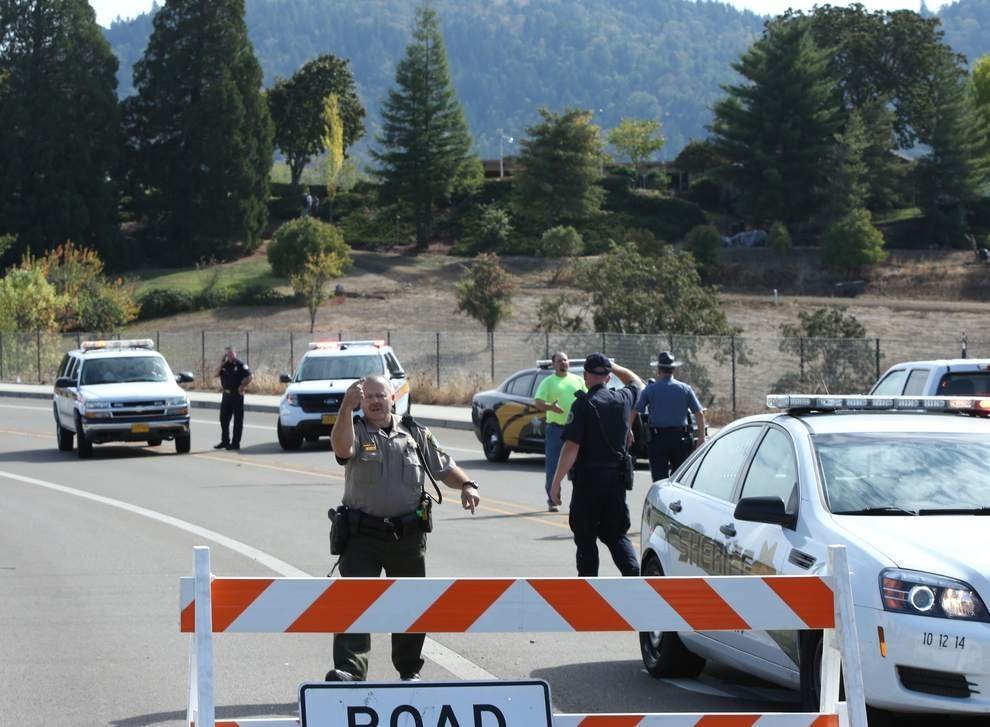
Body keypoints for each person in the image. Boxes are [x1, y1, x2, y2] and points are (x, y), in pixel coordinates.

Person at [326, 375, 481, 683]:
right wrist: (346, 405)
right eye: (367, 396)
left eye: (380, 396)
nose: (374, 401)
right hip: (362, 536)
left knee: (410, 604)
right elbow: (342, 450)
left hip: (407, 536)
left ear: (392, 398)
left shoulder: (414, 433)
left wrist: (466, 484)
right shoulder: (354, 430)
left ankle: (409, 669)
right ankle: (350, 671)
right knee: (354, 603)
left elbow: (444, 466)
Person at [550, 353, 643, 577]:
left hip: (588, 483)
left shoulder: (582, 404)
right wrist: (614, 364)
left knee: (586, 539)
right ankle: (634, 578)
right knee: (617, 534)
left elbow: (571, 449)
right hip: (616, 482)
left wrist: (555, 483)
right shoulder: (623, 399)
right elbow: (637, 383)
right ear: (609, 378)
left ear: (585, 377)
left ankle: (589, 591)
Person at [632, 351, 706, 482]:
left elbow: (635, 411)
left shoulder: (650, 389)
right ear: (674, 369)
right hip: (680, 440)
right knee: (679, 480)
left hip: (658, 439)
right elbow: (699, 414)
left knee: (660, 480)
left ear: (658, 369)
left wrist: (628, 431)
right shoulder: (685, 388)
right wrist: (701, 438)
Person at [533, 352, 585, 512]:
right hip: (556, 429)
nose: (563, 363)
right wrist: (550, 407)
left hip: (576, 428)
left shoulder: (578, 380)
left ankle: (581, 500)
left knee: (581, 465)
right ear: (554, 364)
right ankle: (553, 499)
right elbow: (538, 402)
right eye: (560, 361)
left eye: (565, 360)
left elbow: (589, 398)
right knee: (554, 465)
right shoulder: (548, 382)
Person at [213, 346, 252, 450]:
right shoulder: (224, 366)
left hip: (237, 395)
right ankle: (225, 441)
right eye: (227, 354)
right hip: (226, 395)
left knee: (238, 421)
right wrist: (221, 363)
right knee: (223, 419)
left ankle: (235, 443)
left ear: (235, 353)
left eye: (231, 353)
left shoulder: (240, 365)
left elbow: (249, 376)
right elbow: (215, 374)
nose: (229, 356)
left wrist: (242, 386)